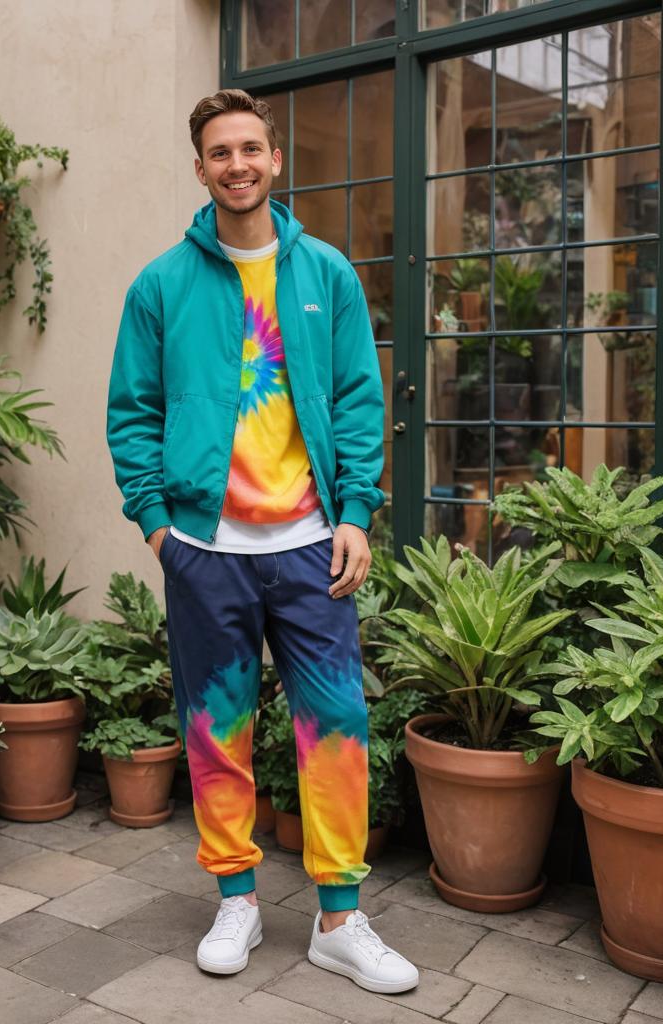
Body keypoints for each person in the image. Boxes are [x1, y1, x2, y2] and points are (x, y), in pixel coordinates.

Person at [106, 89, 418, 995]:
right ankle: (236, 895)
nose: (236, 164)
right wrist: (158, 526)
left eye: (251, 148)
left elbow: (360, 401)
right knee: (217, 732)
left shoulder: (328, 276)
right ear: (199, 168)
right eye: (218, 152)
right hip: (206, 549)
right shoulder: (160, 285)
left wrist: (356, 512)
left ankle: (339, 919)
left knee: (338, 727)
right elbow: (133, 413)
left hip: (312, 543)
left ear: (275, 160)